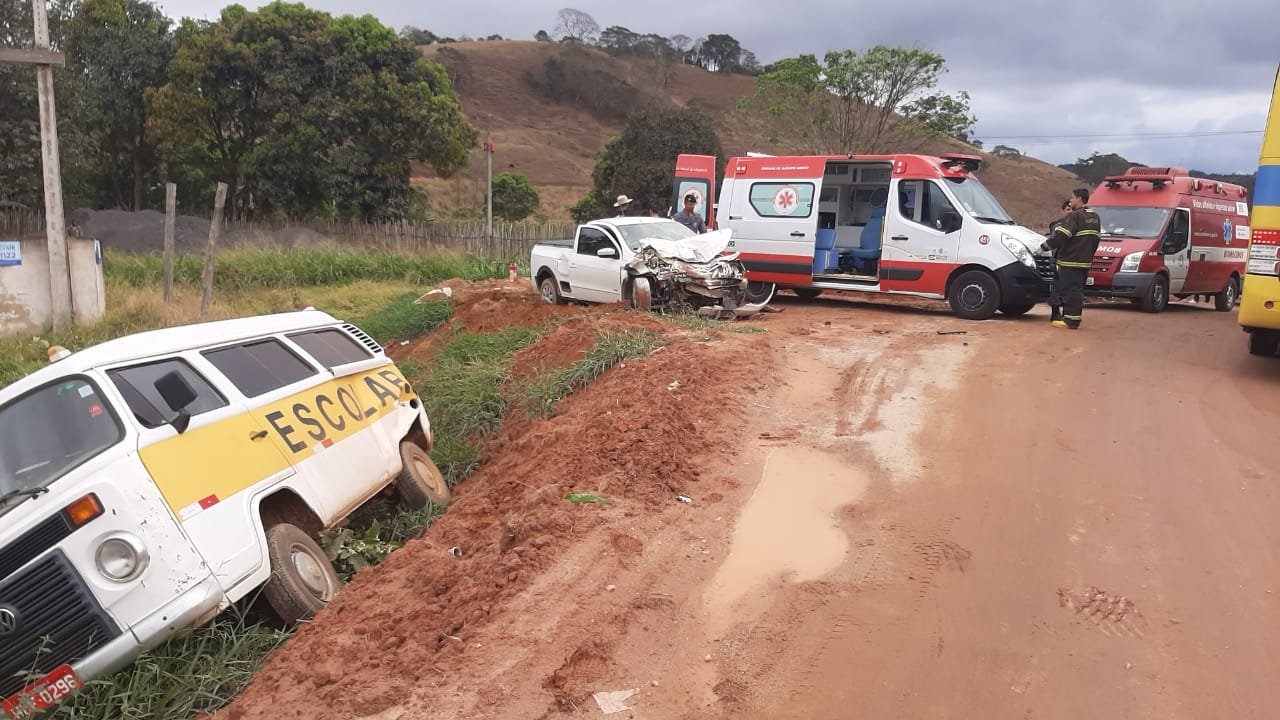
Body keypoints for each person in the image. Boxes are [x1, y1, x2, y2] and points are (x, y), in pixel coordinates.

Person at [1041, 188, 1101, 329]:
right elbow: (1096, 239)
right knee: (1077, 290)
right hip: (1085, 261)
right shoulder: (1094, 216)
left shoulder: (1075, 216)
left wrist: (1044, 246)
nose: (1070, 201)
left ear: (1079, 199)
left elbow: (1061, 236)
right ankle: (1072, 318)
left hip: (1071, 260)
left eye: (1072, 198)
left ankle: (1070, 321)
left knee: (1070, 290)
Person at [1045, 200, 1072, 323]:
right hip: (1058, 259)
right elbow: (1056, 242)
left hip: (1069, 260)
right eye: (1067, 209)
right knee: (1057, 287)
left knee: (1067, 287)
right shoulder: (1058, 226)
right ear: (1061, 211)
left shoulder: (1074, 224)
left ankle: (1066, 313)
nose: (1070, 212)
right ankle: (1055, 313)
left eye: (1072, 209)